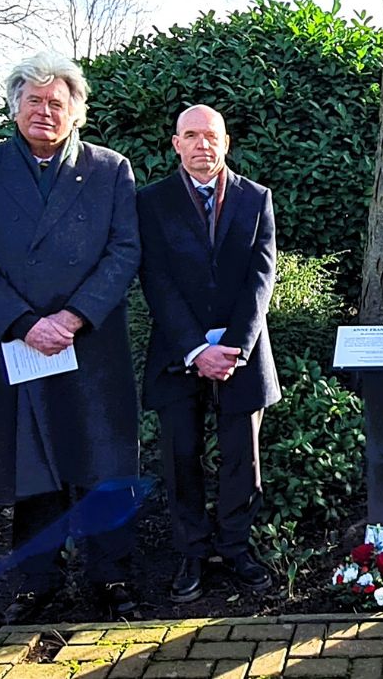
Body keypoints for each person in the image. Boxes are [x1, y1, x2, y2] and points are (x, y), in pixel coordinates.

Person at [0, 52, 142, 623]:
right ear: (14, 108)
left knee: (103, 464)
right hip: (20, 343)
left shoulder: (110, 169)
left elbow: (124, 249)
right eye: (32, 100)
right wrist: (25, 322)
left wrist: (74, 316)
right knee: (32, 465)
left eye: (56, 102)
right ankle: (38, 582)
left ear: (76, 111)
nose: (44, 111)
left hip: (91, 343)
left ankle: (112, 576)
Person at [136, 104, 279, 600]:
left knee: (242, 459)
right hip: (179, 352)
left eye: (211, 135)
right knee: (181, 456)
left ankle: (237, 547)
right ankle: (192, 552)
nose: (203, 144)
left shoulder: (256, 198)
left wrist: (235, 346)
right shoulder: (150, 202)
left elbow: (262, 277)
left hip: (242, 354)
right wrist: (197, 348)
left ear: (226, 142)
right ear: (176, 144)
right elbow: (155, 279)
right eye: (192, 135)